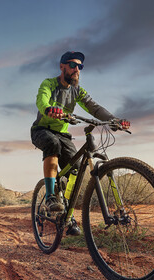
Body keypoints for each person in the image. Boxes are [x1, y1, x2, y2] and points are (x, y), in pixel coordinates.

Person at [31, 51, 130, 236]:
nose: (77, 69)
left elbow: (94, 107)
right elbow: (41, 99)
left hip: (63, 134)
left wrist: (114, 120)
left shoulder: (78, 90)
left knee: (76, 168)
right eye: (73, 65)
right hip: (42, 130)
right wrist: (48, 108)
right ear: (62, 67)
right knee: (53, 144)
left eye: (80, 66)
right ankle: (51, 196)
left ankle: (67, 215)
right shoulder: (49, 84)